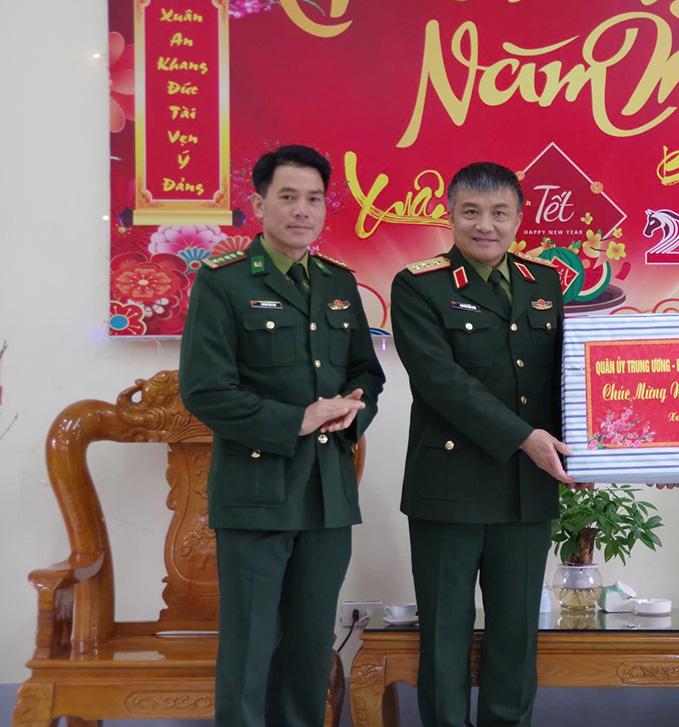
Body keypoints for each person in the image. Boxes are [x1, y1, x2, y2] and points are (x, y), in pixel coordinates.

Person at [180, 144, 385, 726]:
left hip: (327, 494)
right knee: (249, 650)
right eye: (288, 197)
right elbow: (205, 390)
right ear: (258, 204)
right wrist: (297, 419)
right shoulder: (223, 282)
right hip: (256, 493)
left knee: (309, 649)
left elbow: (366, 373)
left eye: (314, 199)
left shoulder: (337, 282)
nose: (302, 210)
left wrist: (350, 412)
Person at [390, 161, 574, 727]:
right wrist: (523, 437)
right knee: (444, 633)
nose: (485, 225)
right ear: (449, 215)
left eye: (499, 212)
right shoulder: (418, 285)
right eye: (471, 212)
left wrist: (600, 448)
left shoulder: (543, 282)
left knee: (516, 635)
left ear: (519, 218)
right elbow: (441, 382)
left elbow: (562, 378)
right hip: (449, 489)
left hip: (525, 491)